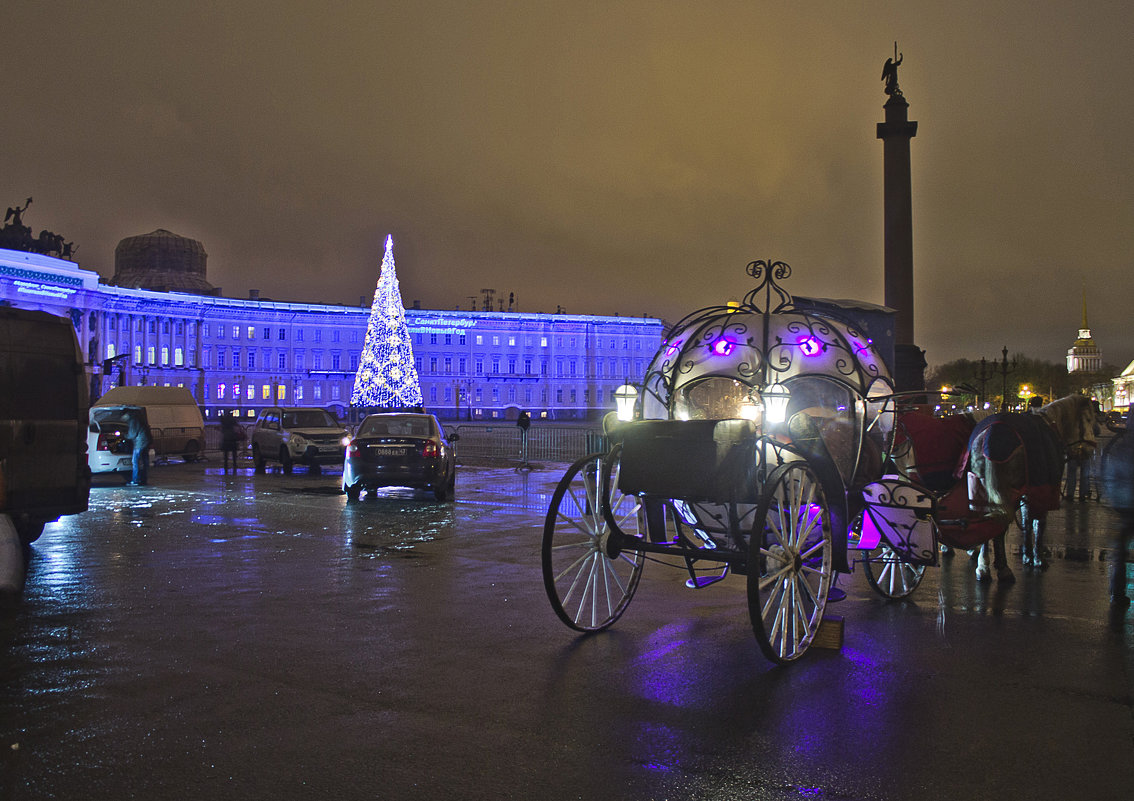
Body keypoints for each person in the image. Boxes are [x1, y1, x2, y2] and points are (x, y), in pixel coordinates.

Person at [1101, 408, 1134, 606]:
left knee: (1120, 550)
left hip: (1122, 503)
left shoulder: (1120, 444)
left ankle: (1116, 592)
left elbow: (1107, 472)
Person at [125, 407, 152, 486]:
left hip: (140, 443)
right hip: (145, 442)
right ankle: (144, 479)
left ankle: (135, 480)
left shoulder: (132, 420)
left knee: (135, 461)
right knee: (144, 461)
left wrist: (125, 435)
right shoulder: (139, 418)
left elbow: (132, 434)